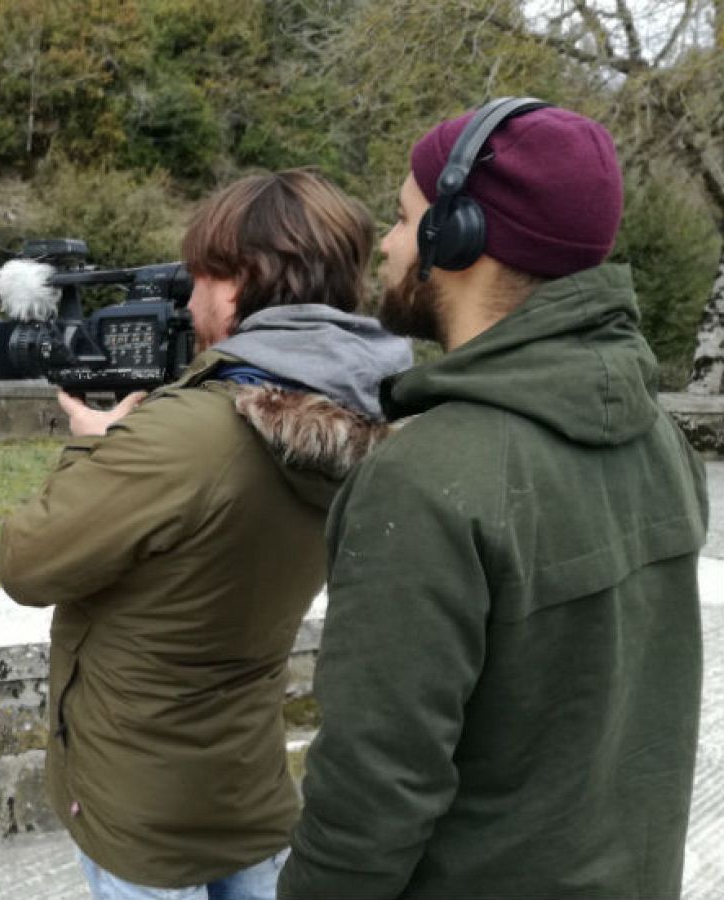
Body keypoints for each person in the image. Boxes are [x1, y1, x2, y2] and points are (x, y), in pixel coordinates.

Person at [279, 100, 709, 898]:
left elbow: (371, 793)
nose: (386, 243)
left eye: (405, 221)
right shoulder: (658, 438)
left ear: (460, 239)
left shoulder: (425, 481)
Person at [0, 169, 413, 900]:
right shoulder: (360, 421)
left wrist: (99, 442)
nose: (188, 304)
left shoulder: (189, 435)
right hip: (245, 794)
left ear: (238, 283)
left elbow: (27, 563)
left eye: (198, 279)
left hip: (142, 814)